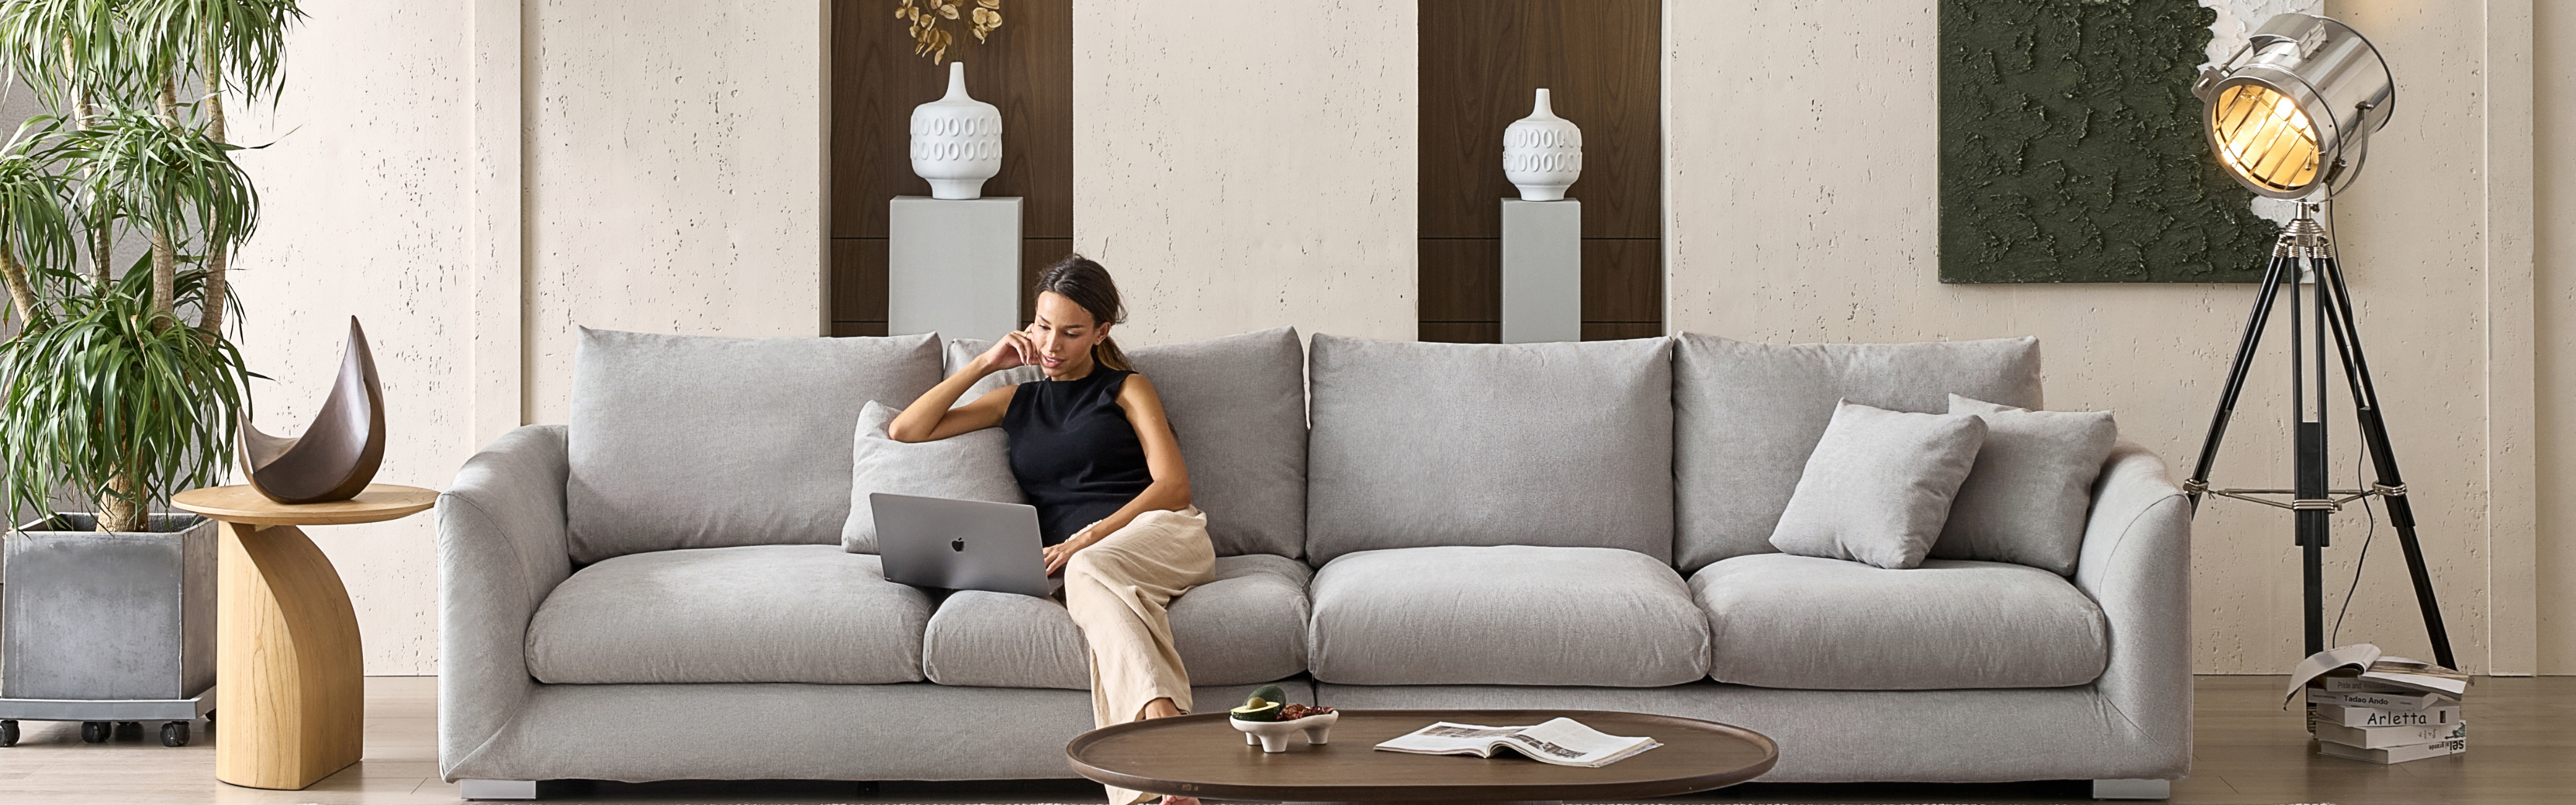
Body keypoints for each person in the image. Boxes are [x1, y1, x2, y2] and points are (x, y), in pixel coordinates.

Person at [886, 255, 1210, 805]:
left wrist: (1087, 538)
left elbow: (1173, 487)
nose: (1052, 345)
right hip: (1083, 566)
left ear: (1101, 332)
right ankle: (1167, 775)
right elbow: (905, 430)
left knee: (1086, 569)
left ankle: (1161, 740)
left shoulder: (1127, 389)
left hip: (1163, 533)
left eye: (1071, 333)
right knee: (1100, 593)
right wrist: (984, 364)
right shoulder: (1017, 399)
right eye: (1042, 326)